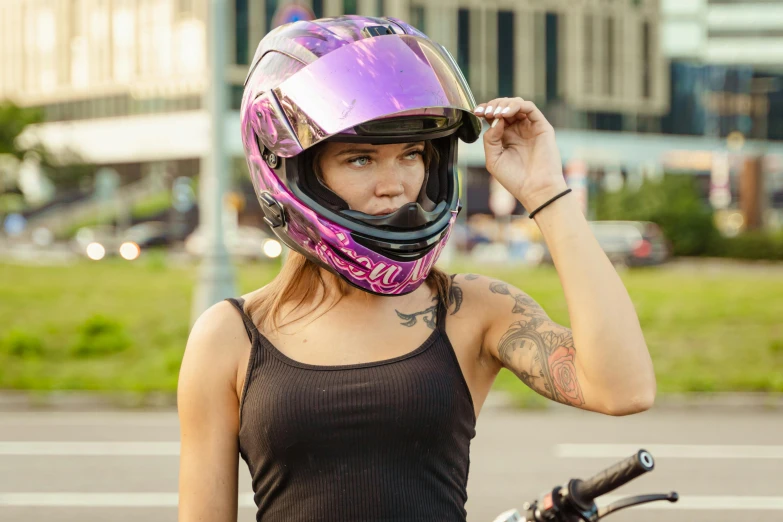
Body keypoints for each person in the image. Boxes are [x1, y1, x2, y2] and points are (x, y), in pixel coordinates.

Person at [177, 15, 656, 522]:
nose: (395, 184)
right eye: (360, 159)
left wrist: (546, 194)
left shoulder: (471, 309)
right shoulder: (230, 336)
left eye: (411, 154)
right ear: (290, 169)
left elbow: (622, 387)